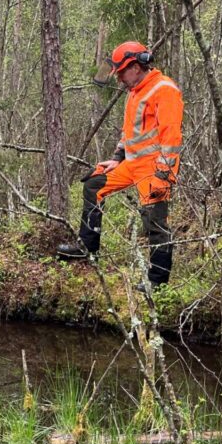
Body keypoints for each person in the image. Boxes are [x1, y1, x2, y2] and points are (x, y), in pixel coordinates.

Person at [57, 41, 183, 289]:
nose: (120, 79)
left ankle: (157, 283)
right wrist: (117, 158)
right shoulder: (136, 91)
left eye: (122, 73)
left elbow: (171, 137)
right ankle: (87, 247)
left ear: (136, 67)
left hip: (154, 169)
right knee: (94, 183)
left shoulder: (164, 89)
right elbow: (130, 132)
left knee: (154, 223)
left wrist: (164, 174)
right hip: (132, 164)